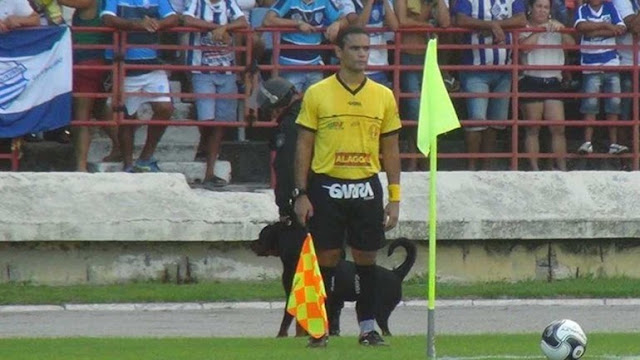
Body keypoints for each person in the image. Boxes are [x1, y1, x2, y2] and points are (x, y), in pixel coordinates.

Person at [292, 26, 401, 347]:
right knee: (325, 260)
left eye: (366, 48)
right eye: (355, 48)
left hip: (366, 187)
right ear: (338, 52)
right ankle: (321, 328)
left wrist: (394, 197)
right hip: (327, 187)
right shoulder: (318, 93)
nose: (363, 54)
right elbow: (303, 146)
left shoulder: (383, 95)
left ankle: (368, 328)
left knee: (367, 259)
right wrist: (301, 193)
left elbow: (391, 149)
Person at [101, 0, 179, 172]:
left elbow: (173, 18)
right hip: (125, 64)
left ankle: (145, 158)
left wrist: (157, 23)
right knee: (127, 117)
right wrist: (137, 24)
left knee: (165, 108)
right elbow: (107, 18)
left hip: (152, 63)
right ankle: (128, 164)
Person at [454, 0, 526, 170]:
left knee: (496, 122)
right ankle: (471, 168)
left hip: (504, 70)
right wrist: (492, 26)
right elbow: (461, 19)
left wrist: (494, 25)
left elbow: (521, 19)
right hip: (475, 69)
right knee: (477, 120)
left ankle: (487, 168)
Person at [183, 0, 249, 187]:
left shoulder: (228, 3)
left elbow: (244, 22)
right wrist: (218, 29)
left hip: (227, 70)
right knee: (207, 120)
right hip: (201, 69)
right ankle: (205, 156)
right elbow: (186, 19)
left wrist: (225, 28)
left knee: (220, 123)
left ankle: (209, 171)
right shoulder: (197, 2)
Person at [59, 0, 120, 171]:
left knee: (81, 115)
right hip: (98, 59)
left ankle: (81, 165)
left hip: (87, 60)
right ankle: (119, 146)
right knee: (100, 108)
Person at [518, 0, 574, 171]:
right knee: (532, 129)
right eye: (538, 6)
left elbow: (572, 45)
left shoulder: (557, 26)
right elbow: (524, 47)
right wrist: (540, 30)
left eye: (546, 7)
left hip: (553, 80)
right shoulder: (523, 26)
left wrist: (562, 30)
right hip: (531, 79)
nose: (542, 10)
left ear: (550, 10)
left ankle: (562, 168)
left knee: (558, 128)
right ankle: (534, 169)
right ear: (530, 9)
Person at [395, 0, 450, 171]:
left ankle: (426, 158)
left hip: (429, 57)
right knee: (414, 109)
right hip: (408, 55)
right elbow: (402, 21)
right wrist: (426, 25)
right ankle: (414, 158)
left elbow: (445, 22)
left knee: (430, 110)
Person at [574, 0, 628, 155]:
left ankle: (614, 144)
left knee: (614, 104)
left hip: (611, 62)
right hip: (590, 65)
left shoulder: (610, 7)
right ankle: (587, 143)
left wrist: (594, 31)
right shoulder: (582, 9)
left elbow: (621, 28)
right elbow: (581, 27)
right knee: (590, 105)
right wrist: (607, 26)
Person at [262, 0, 353, 92]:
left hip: (314, 64)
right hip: (289, 65)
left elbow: (345, 20)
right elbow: (268, 20)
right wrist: (298, 23)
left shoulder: (324, 2)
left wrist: (337, 24)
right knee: (290, 102)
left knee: (315, 102)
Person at [351, 0, 399, 87]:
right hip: (359, 68)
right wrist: (369, 3)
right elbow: (359, 27)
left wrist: (385, 2)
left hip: (380, 66)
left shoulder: (383, 3)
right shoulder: (351, 3)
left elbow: (395, 26)